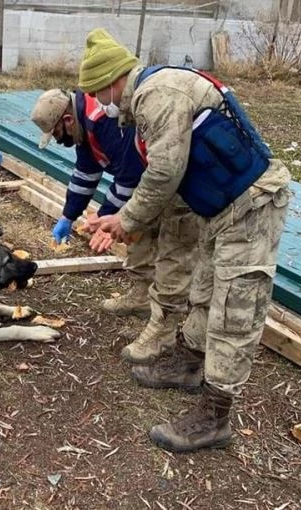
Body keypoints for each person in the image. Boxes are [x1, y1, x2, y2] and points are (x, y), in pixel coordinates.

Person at [78, 28, 291, 452]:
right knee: (204, 290)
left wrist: (127, 220)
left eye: (97, 92)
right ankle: (189, 364)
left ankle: (215, 417)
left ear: (112, 80)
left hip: (250, 206)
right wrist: (124, 219)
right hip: (218, 208)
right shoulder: (147, 99)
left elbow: (165, 171)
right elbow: (165, 175)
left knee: (234, 311)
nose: (99, 103)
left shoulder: (158, 94)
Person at [31, 88, 198, 361]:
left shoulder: (104, 122)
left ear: (68, 121)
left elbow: (129, 177)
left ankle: (166, 328)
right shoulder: (84, 127)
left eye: (58, 134)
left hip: (171, 179)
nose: (61, 141)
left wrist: (107, 217)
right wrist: (68, 216)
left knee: (168, 243)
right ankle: (141, 295)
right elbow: (85, 174)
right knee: (134, 227)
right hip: (147, 181)